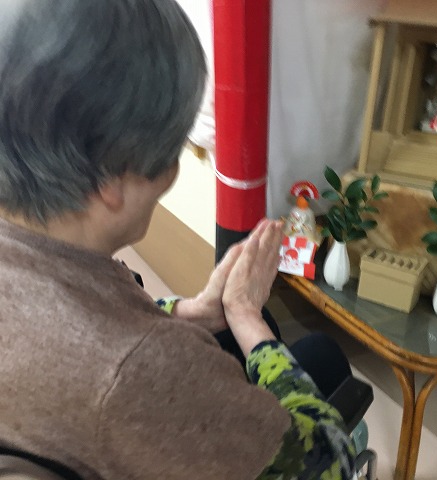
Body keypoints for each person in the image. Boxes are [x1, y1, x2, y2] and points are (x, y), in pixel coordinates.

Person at [0, 1, 356, 479]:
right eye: (173, 149)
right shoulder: (138, 370)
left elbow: (89, 316)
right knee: (322, 357)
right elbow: (326, 462)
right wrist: (248, 319)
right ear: (114, 177)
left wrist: (190, 312)